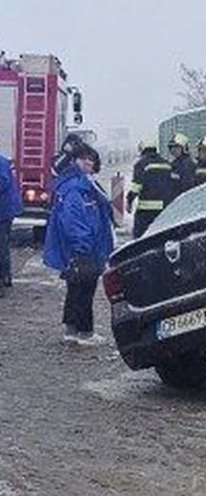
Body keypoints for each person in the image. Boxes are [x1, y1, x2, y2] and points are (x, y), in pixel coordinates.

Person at [43, 140, 114, 344]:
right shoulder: (77, 188)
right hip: (84, 249)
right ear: (75, 161)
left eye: (92, 159)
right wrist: (82, 248)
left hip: (85, 248)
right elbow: (73, 222)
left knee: (76, 289)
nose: (89, 163)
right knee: (84, 289)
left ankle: (72, 329)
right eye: (85, 159)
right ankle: (85, 331)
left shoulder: (82, 184)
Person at [126, 139, 173, 238]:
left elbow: (136, 187)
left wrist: (129, 201)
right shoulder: (167, 164)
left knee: (141, 238)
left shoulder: (141, 164)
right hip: (164, 208)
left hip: (146, 210)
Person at [0, 153, 23, 297]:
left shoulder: (0, 163)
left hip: (4, 211)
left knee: (1, 244)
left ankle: (3, 279)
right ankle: (5, 277)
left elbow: (2, 182)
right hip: (5, 209)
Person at [167, 132, 195, 197]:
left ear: (184, 148)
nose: (173, 150)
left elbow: (187, 187)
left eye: (176, 147)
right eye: (171, 147)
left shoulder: (187, 165)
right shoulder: (173, 164)